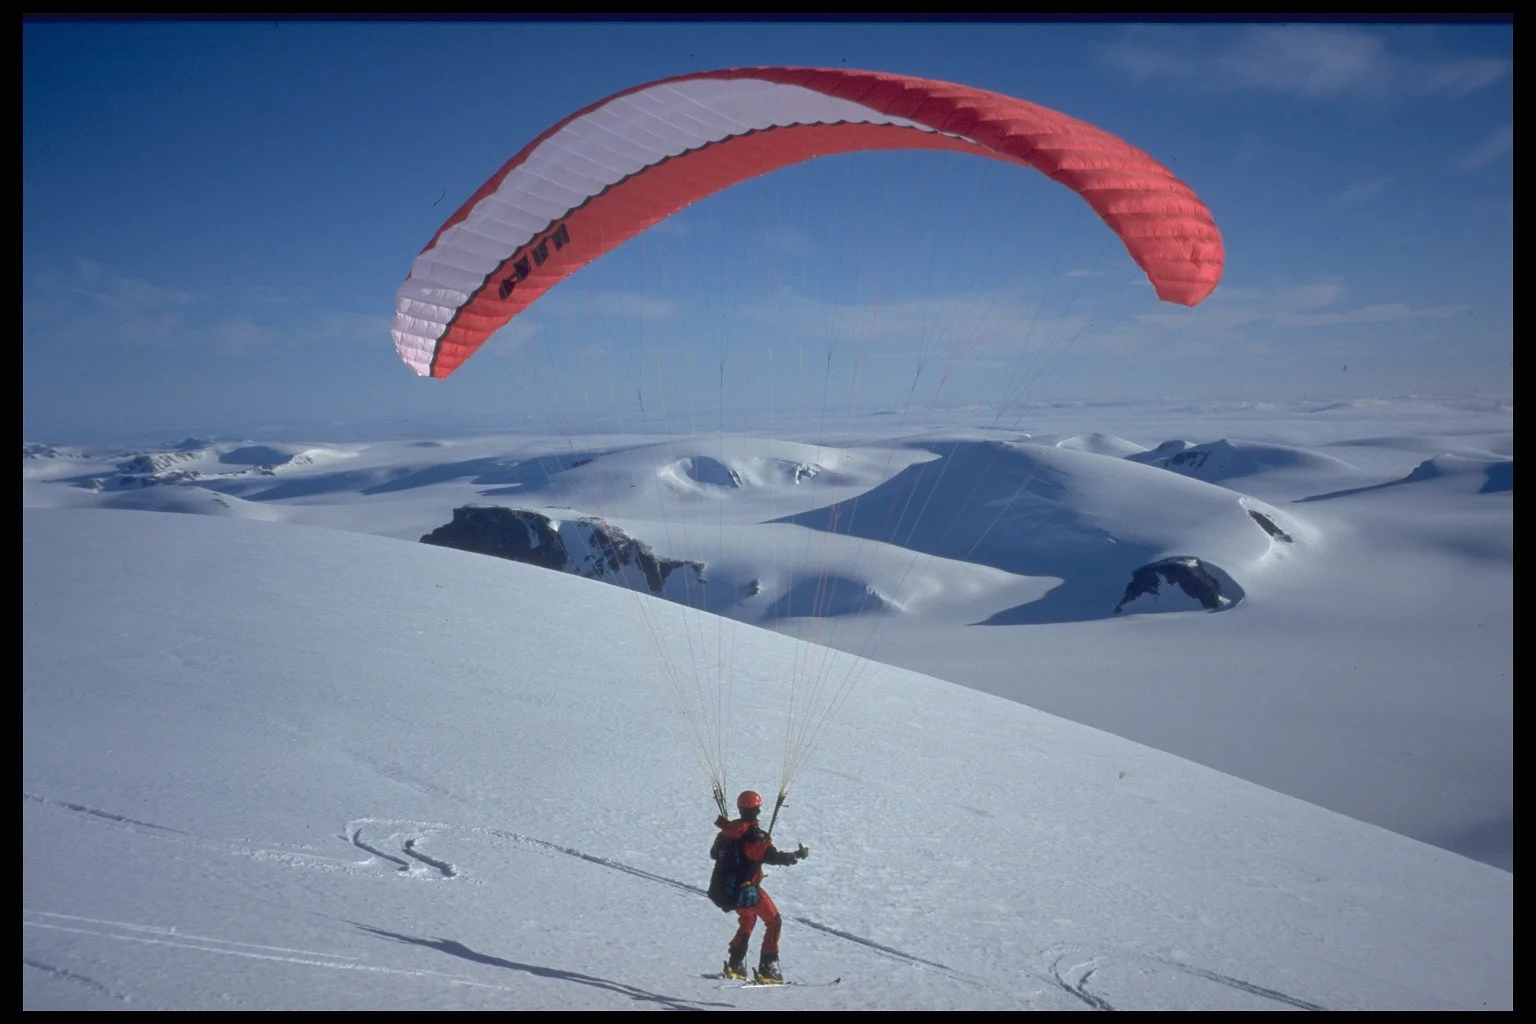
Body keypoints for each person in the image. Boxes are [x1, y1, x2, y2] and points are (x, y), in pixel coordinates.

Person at [710, 790, 809, 983]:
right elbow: (773, 857)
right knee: (774, 921)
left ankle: (735, 964)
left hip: (725, 891)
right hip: (746, 891)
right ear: (757, 810)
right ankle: (768, 968)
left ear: (740, 808)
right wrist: (796, 856)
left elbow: (714, 854)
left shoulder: (726, 832)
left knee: (748, 919)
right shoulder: (756, 836)